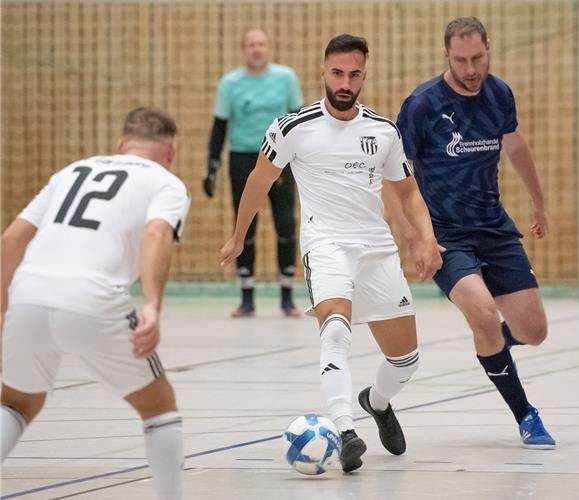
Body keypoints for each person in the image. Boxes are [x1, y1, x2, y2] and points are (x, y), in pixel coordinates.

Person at [220, 34, 443, 473]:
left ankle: (376, 403)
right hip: (326, 245)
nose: (345, 82)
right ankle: (345, 431)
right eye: (337, 73)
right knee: (336, 331)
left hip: (377, 250)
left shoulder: (383, 131)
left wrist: (426, 238)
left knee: (406, 360)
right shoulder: (291, 128)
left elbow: (408, 190)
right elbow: (258, 181)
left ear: (364, 75)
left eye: (354, 74)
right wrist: (238, 236)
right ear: (323, 72)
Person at [1, 107, 190, 499]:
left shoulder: (70, 171)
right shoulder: (166, 182)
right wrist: (153, 305)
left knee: (16, 404)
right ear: (170, 152)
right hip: (94, 298)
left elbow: (11, 240)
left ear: (121, 145)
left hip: (28, 293)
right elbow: (156, 234)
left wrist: (4, 304)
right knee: (160, 408)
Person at [391, 16, 555, 449]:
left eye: (477, 58)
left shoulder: (499, 93)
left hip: (494, 227)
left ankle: (491, 349)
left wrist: (538, 202)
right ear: (446, 55)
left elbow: (515, 146)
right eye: (461, 60)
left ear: (488, 50)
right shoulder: (422, 105)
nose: (470, 69)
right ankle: (527, 415)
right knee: (483, 314)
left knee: (534, 331)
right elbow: (392, 177)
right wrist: (415, 238)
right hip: (445, 234)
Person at [204, 28, 304, 318]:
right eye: (251, 45)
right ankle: (246, 297)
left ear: (268, 47)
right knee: (244, 227)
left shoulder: (285, 78)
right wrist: (212, 165)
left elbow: (299, 121)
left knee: (285, 225)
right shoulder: (230, 83)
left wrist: (301, 161)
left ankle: (287, 296)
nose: (256, 49)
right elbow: (220, 126)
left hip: (280, 159)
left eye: (261, 43)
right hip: (243, 157)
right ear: (244, 49)